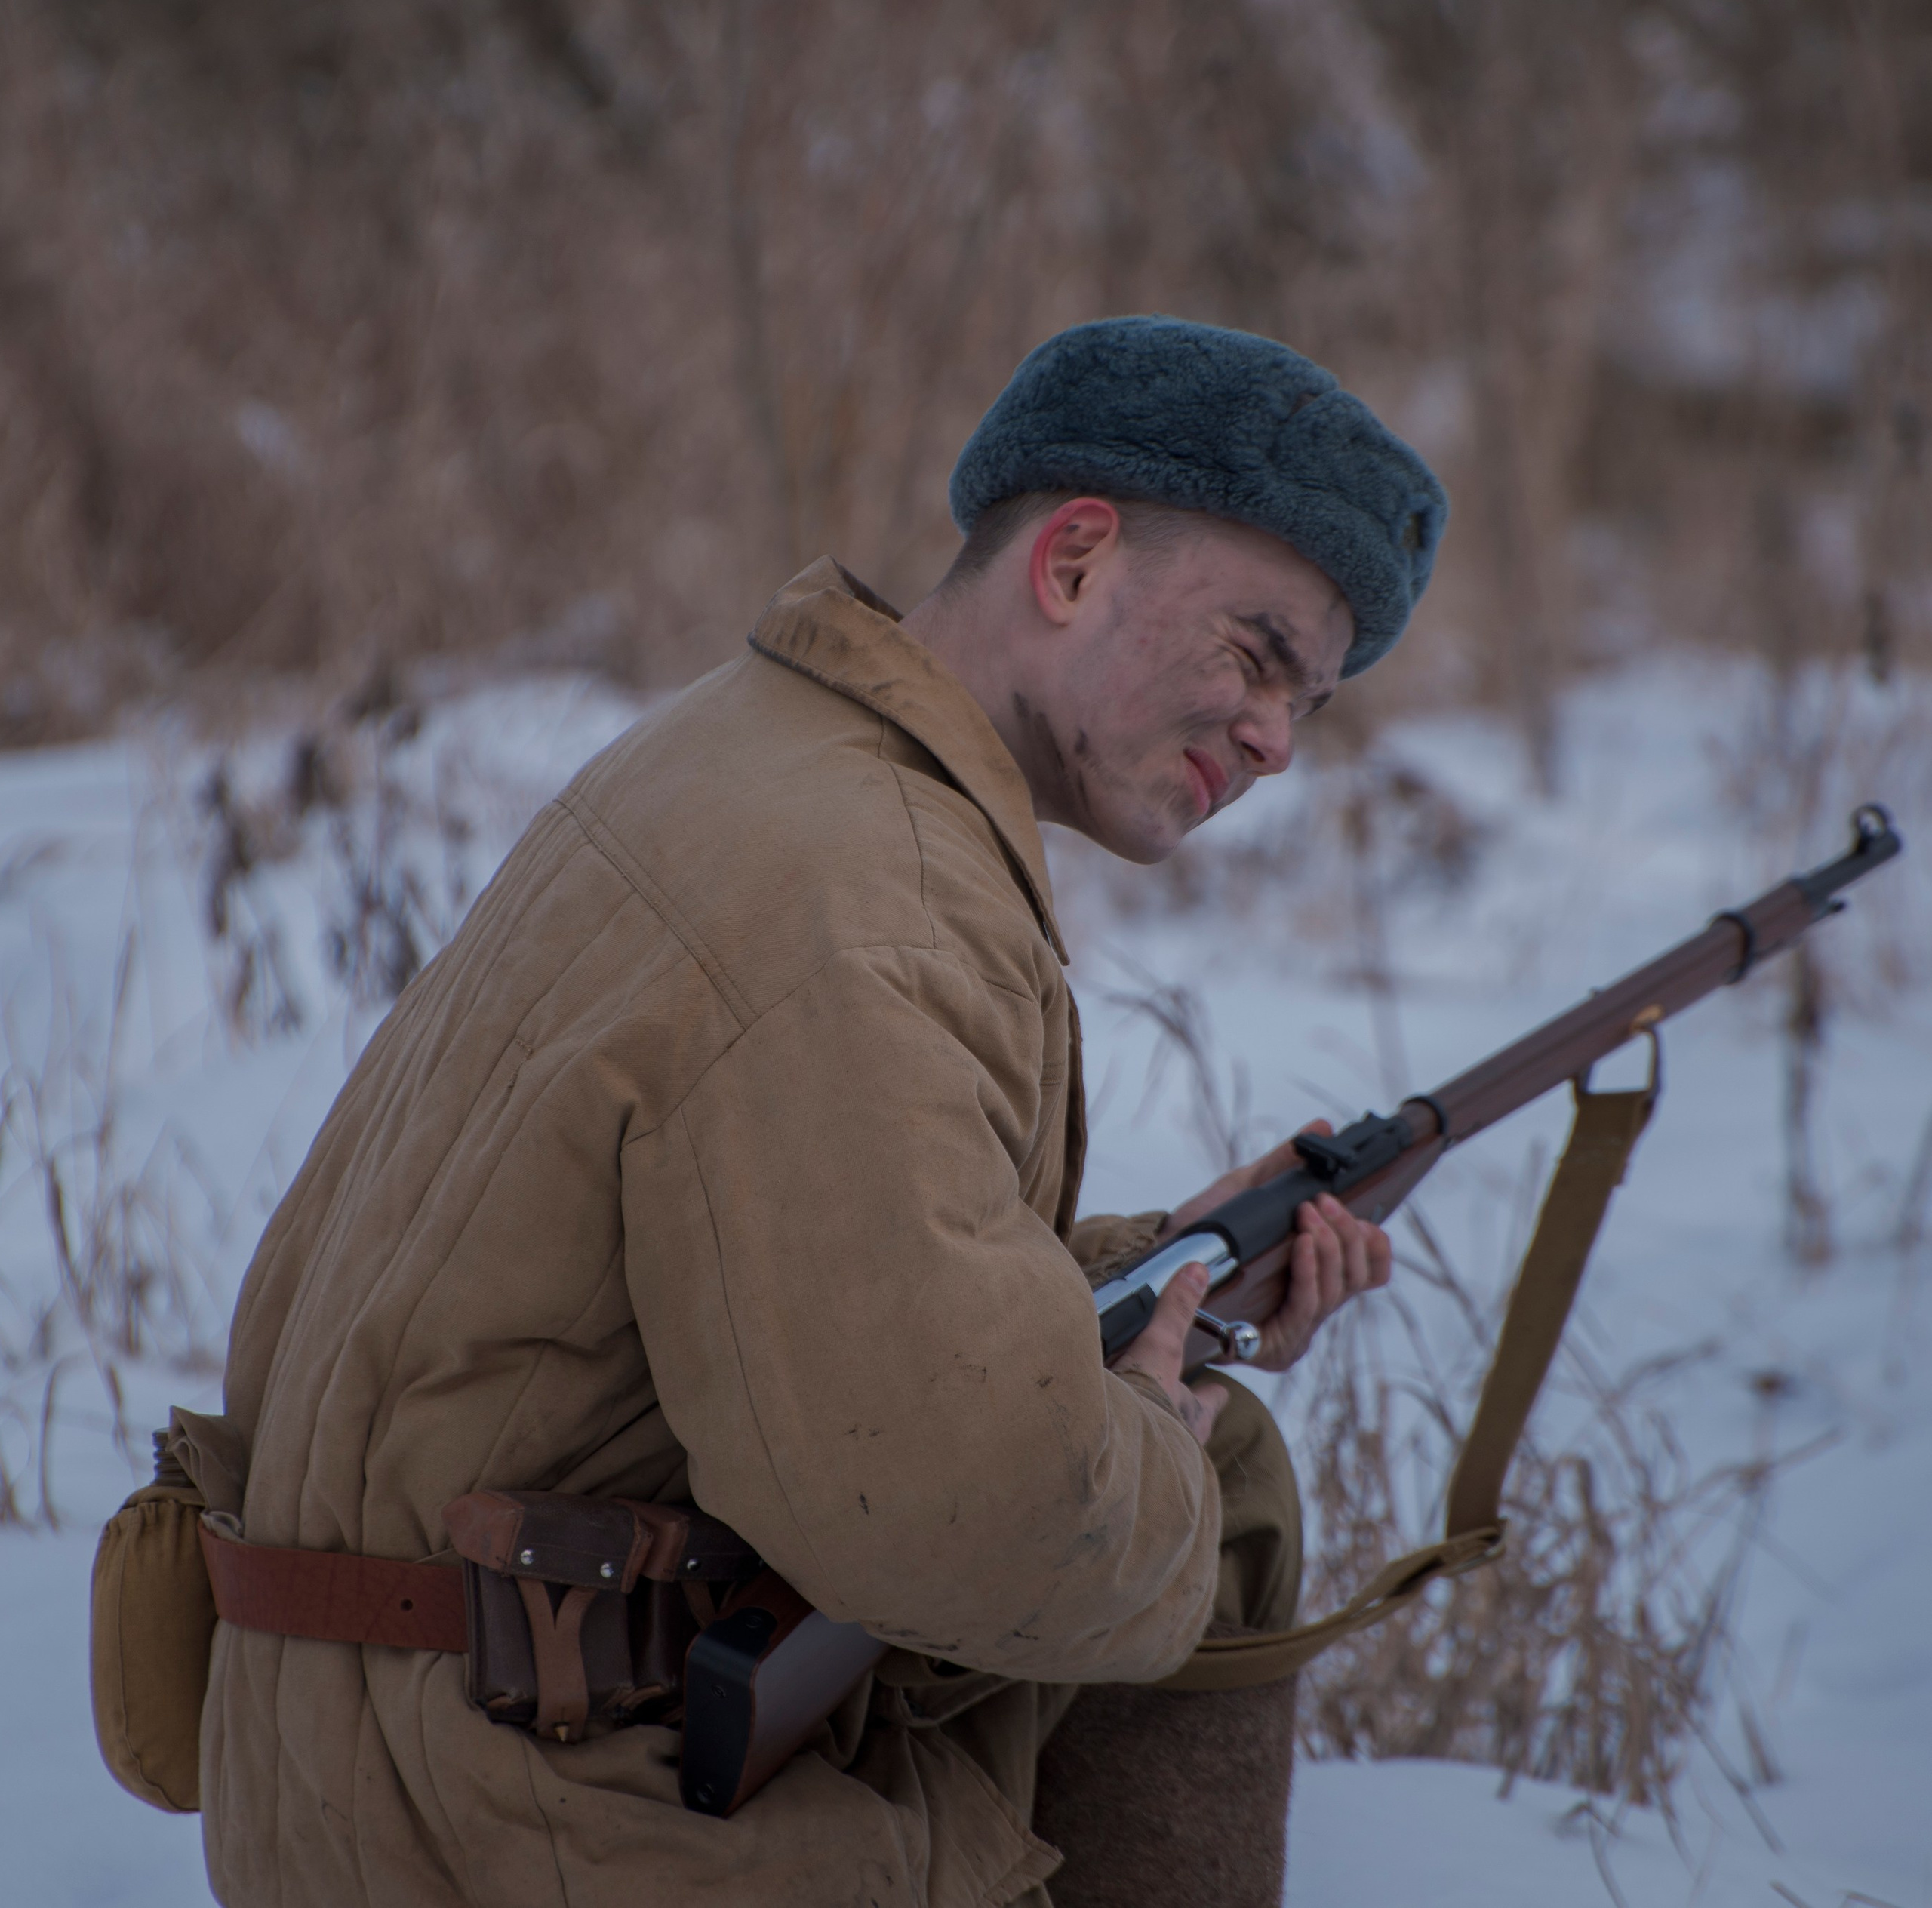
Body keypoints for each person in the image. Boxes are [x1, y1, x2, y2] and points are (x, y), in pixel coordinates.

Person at [196, 315, 1447, 1907]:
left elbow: (759, 1278)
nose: (1276, 736)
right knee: (1197, 1499)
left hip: (374, 1755)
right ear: (1069, 565)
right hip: (529, 1812)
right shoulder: (875, 894)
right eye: (1257, 654)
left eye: (1312, 703)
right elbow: (966, 1518)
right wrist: (1157, 1446)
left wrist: (1179, 1268)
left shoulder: (753, 748)